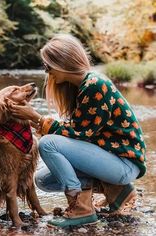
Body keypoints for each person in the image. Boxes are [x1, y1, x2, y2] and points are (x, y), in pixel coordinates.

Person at [9, 34, 146, 228]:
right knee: (43, 180)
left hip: (124, 164)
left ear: (62, 62)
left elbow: (80, 133)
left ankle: (82, 209)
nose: (47, 72)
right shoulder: (81, 86)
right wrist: (34, 121)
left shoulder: (94, 85)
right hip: (113, 159)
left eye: (48, 66)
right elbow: (77, 136)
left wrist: (36, 117)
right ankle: (119, 192)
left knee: (48, 144)